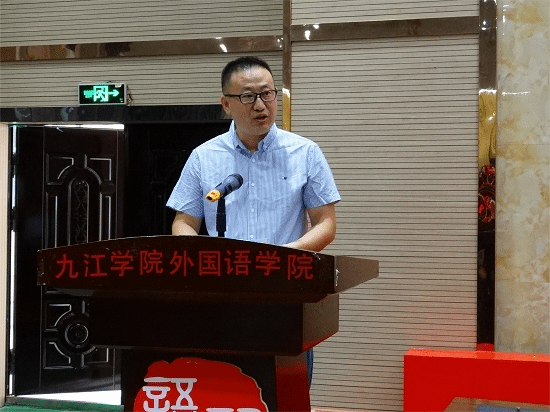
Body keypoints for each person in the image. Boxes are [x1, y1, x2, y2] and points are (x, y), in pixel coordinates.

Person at [166, 55, 341, 385]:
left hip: (285, 297)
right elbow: (184, 221)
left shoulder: (305, 153)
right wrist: (199, 259)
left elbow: (326, 223)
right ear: (226, 104)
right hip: (223, 299)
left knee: (286, 394)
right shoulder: (204, 157)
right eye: (248, 96)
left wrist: (284, 256)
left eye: (268, 93)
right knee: (227, 391)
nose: (261, 105)